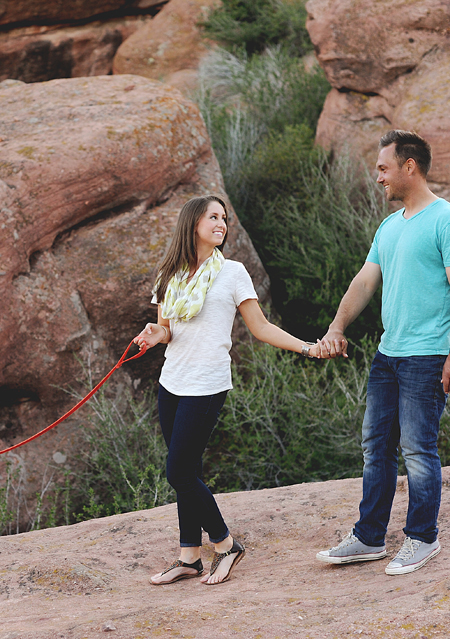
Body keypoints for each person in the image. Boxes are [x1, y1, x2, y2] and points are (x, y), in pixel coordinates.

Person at [134, 194, 324, 586]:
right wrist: (156, 334)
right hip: (172, 382)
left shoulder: (233, 272)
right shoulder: (169, 274)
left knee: (179, 471)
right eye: (213, 217)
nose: (221, 223)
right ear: (193, 224)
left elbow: (261, 327)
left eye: (224, 218)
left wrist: (306, 346)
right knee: (187, 469)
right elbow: (168, 329)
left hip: (207, 384)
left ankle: (225, 544)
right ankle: (189, 557)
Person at [315, 130, 450, 575]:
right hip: (388, 354)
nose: (379, 177)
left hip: (428, 356)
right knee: (375, 447)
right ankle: (369, 538)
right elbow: (365, 281)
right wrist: (337, 326)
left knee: (419, 450)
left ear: (410, 166)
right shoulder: (389, 226)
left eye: (384, 168)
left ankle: (423, 538)